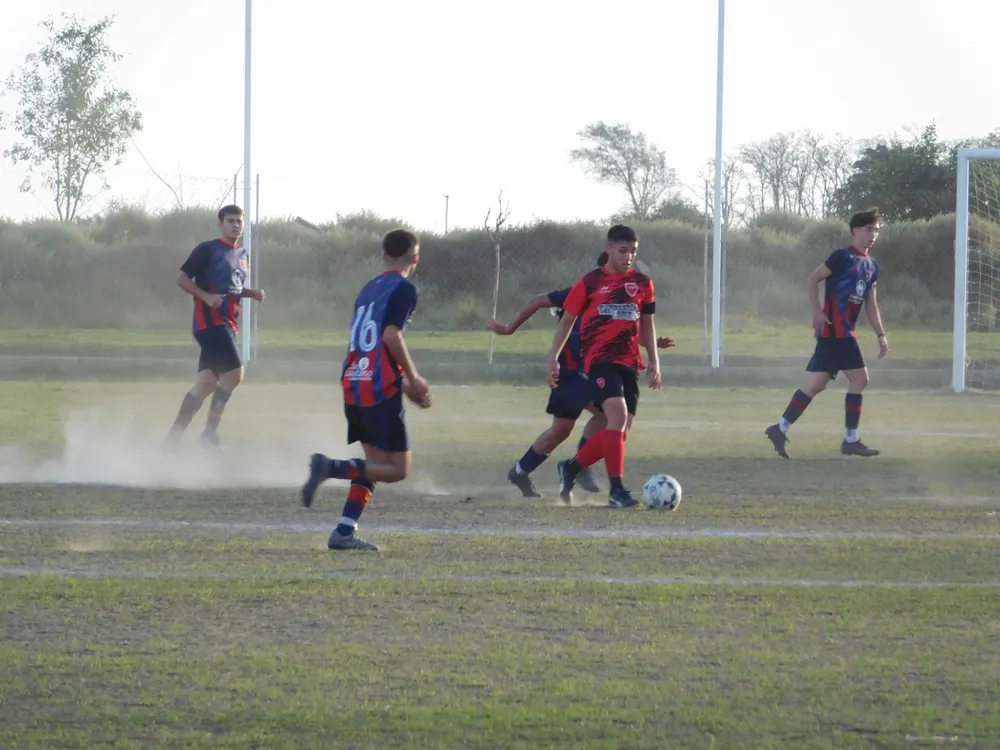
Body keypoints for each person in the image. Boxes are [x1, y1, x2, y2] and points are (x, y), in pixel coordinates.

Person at [300, 228, 430, 552]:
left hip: (355, 380)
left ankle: (344, 531)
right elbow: (390, 336)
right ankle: (329, 467)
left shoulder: (368, 289)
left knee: (374, 464)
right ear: (415, 258)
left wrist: (402, 383)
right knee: (397, 469)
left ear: (383, 257)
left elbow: (370, 346)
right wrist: (414, 378)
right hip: (378, 387)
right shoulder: (404, 288)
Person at [546, 225, 662, 508]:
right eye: (623, 250)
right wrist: (553, 357)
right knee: (617, 416)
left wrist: (654, 360)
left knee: (619, 431)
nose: (628, 256)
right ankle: (617, 491)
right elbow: (567, 321)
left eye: (633, 251)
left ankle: (571, 467)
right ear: (608, 249)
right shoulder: (590, 282)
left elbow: (647, 324)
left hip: (629, 362)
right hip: (599, 361)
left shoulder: (643, 284)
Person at [765, 207, 888, 459]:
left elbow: (871, 305)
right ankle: (851, 440)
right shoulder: (842, 257)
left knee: (816, 384)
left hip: (841, 332)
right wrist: (817, 312)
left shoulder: (871, 266)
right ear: (855, 230)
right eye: (868, 229)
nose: (873, 235)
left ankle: (780, 428)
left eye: (876, 230)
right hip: (836, 330)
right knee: (860, 380)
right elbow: (813, 279)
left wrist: (881, 334)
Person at [165, 204, 265, 449]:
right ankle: (209, 436)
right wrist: (206, 297)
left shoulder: (242, 255)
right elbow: (182, 279)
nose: (235, 225)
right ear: (220, 224)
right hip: (210, 323)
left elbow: (232, 288)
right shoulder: (208, 249)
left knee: (206, 384)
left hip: (227, 325)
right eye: (230, 221)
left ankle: (171, 440)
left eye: (239, 221)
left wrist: (251, 293)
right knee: (235, 374)